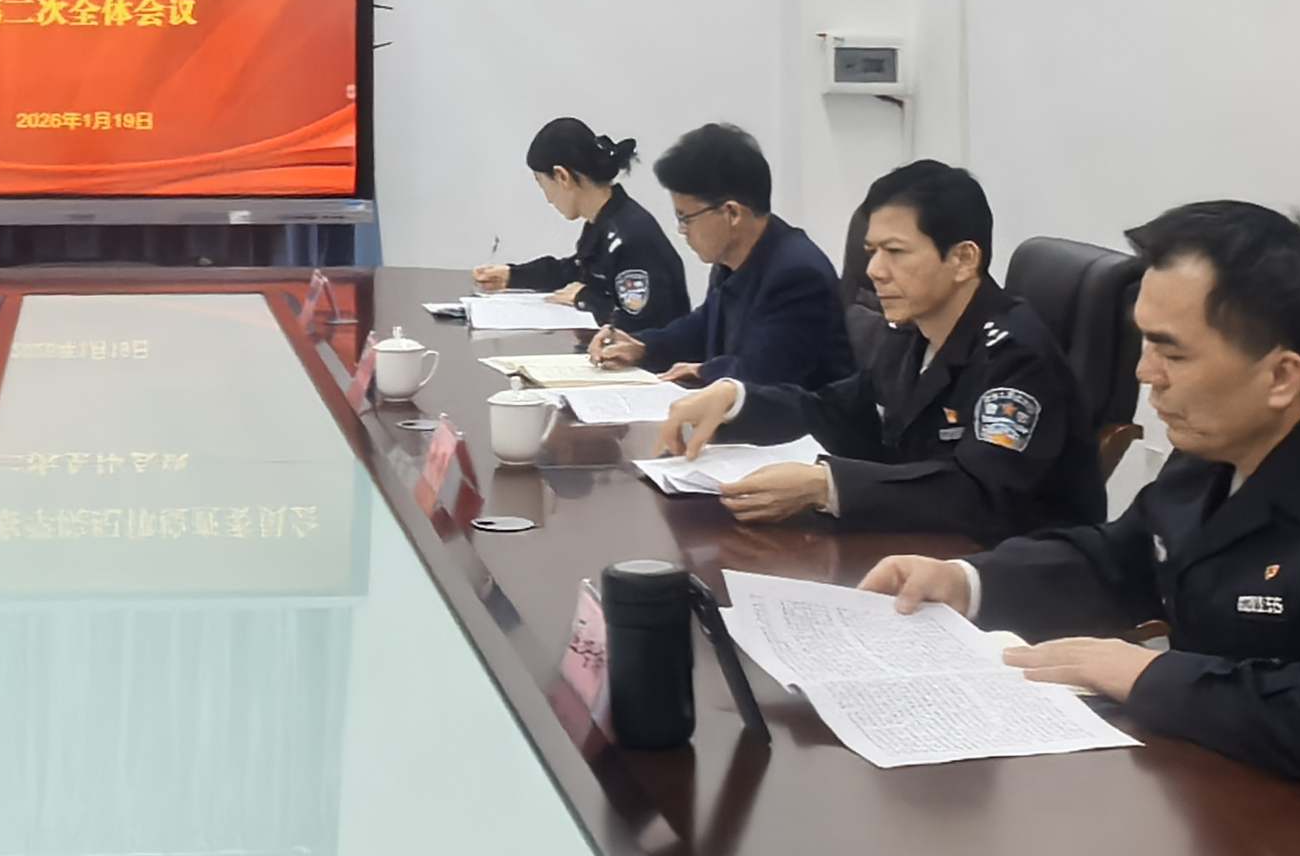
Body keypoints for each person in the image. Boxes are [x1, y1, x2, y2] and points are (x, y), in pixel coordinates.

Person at [859, 200, 1300, 832]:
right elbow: (1124, 559)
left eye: (1171, 352)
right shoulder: (1221, 443)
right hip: (1255, 797)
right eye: (1144, 341)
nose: (1144, 374)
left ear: (1281, 376)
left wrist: (1149, 676)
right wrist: (967, 581)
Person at [654, 160, 1093, 543]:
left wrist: (827, 486)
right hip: (916, 548)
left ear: (963, 259)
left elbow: (978, 495)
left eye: (895, 252)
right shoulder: (912, 332)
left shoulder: (1016, 358)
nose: (874, 271)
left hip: (1008, 574)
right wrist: (736, 398)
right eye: (872, 252)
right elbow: (836, 412)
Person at [588, 122, 845, 398]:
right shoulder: (734, 258)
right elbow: (703, 325)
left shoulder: (797, 275)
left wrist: (704, 371)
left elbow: (762, 374)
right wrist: (643, 346)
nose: (681, 230)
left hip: (798, 423)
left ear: (732, 214)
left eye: (686, 217)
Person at [466, 117, 689, 335]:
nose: (548, 199)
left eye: (542, 184)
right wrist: (513, 275)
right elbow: (576, 272)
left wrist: (585, 298)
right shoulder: (603, 221)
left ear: (561, 176)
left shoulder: (628, 237)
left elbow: (639, 320)